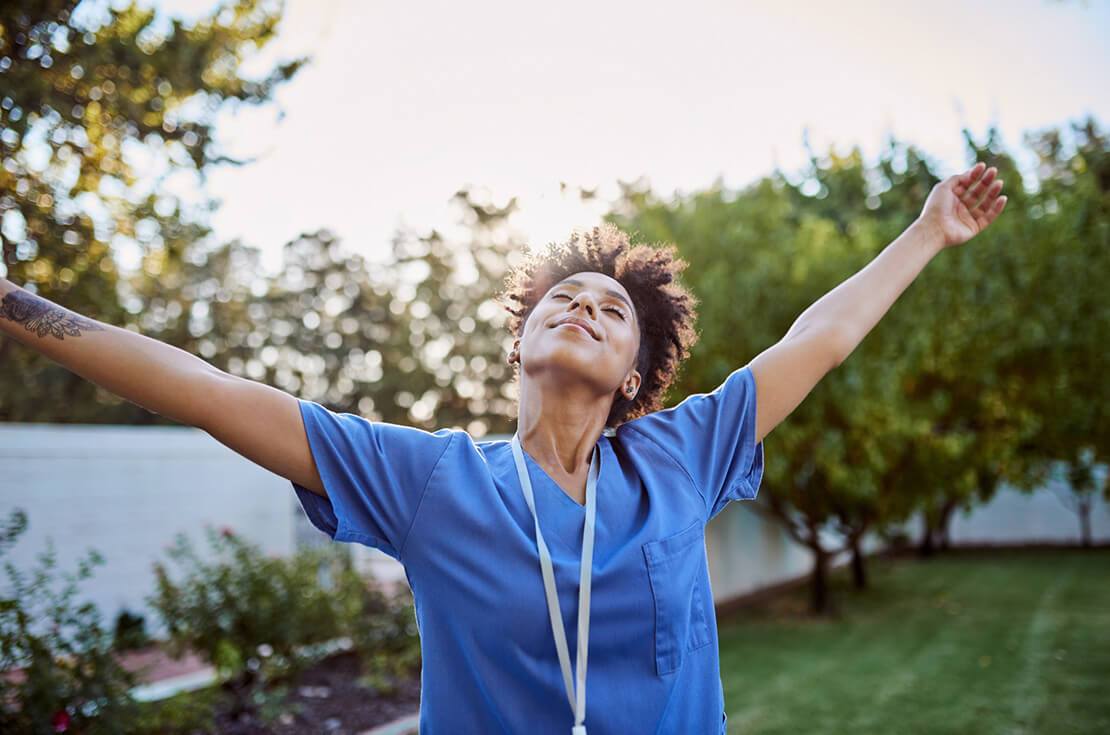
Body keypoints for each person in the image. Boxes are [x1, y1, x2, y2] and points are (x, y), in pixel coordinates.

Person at [0, 163, 1007, 734]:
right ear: (521, 341)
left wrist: (924, 232)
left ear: (634, 375)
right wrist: (15, 304)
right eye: (565, 298)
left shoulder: (678, 456)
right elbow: (212, 393)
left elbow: (816, 342)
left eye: (613, 310)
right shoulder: (432, 481)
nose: (584, 305)